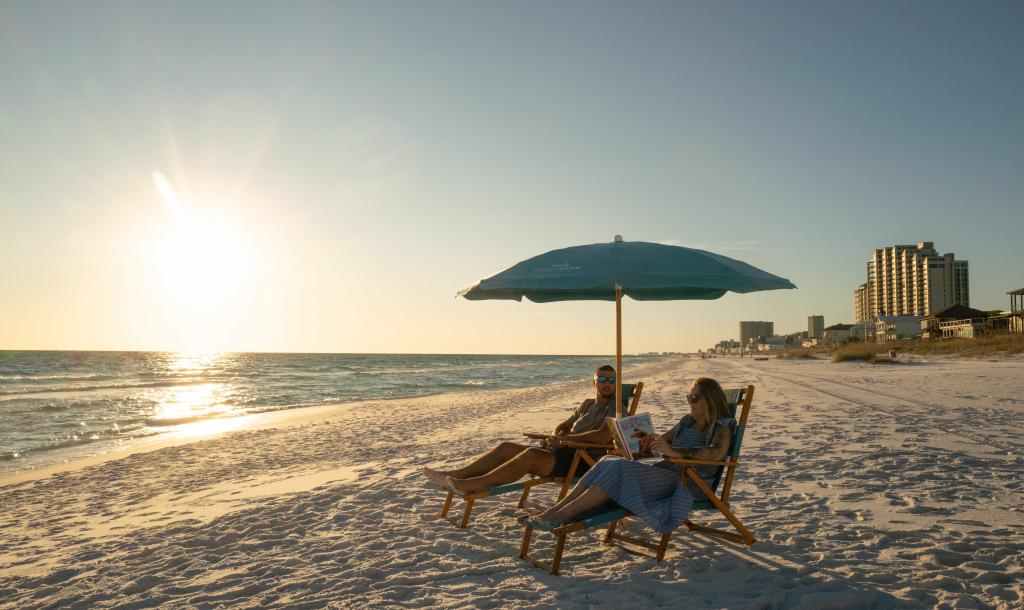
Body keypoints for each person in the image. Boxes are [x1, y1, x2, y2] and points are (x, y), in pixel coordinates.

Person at [532, 377, 734, 534]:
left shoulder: (721, 425)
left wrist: (672, 451)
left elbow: (716, 453)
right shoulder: (686, 421)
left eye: (694, 398)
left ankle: (566, 514)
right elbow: (658, 442)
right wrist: (633, 443)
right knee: (608, 459)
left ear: (710, 399)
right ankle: (557, 510)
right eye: (688, 397)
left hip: (688, 482)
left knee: (621, 468)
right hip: (667, 473)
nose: (690, 402)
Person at [422, 365, 622, 495]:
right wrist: (556, 434)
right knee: (506, 447)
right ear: (594, 382)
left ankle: (476, 484)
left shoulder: (617, 406)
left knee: (530, 454)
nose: (608, 384)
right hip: (562, 452)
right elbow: (564, 425)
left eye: (612, 380)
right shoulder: (587, 404)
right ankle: (456, 475)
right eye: (603, 379)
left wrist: (567, 440)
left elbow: (604, 435)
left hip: (581, 461)